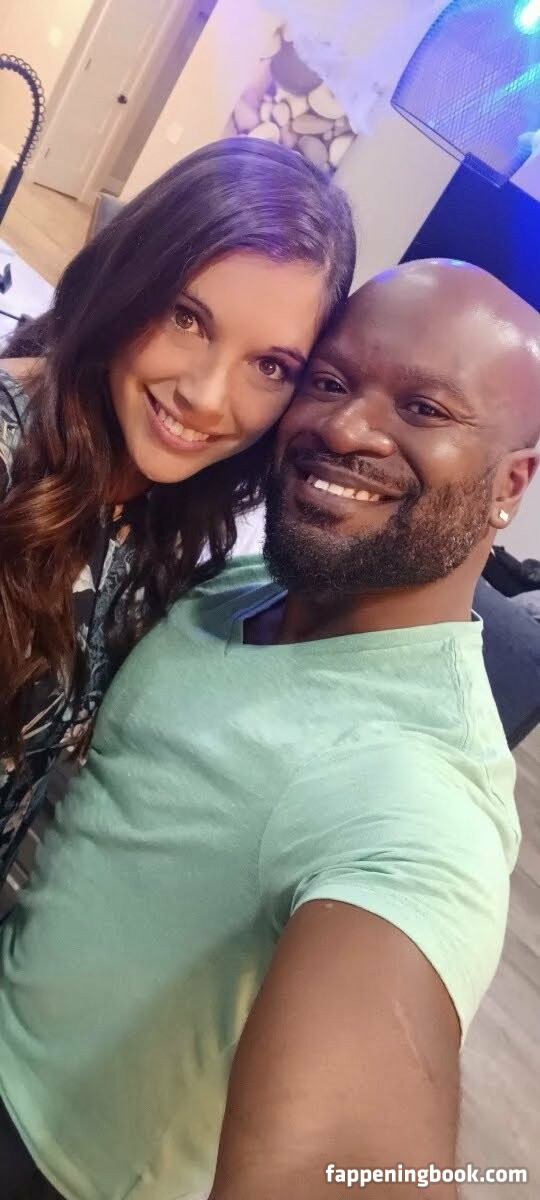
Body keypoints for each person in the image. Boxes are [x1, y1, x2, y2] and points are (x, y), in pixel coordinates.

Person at [1, 260, 539, 1200]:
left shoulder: (419, 796)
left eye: (425, 408)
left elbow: (346, 1144)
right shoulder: (234, 587)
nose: (347, 426)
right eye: (328, 381)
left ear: (512, 482)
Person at [0, 137, 355, 881]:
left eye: (270, 365)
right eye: (187, 318)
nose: (207, 396)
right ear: (131, 279)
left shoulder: (164, 515)